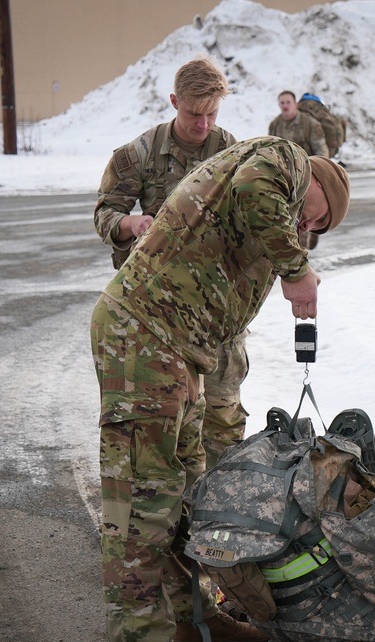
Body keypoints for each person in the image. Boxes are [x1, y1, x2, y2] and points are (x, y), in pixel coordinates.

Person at [90, 136, 349, 642]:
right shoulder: (284, 159)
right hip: (143, 336)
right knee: (143, 503)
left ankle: (193, 620)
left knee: (186, 494)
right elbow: (257, 190)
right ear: (320, 183)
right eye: (316, 220)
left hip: (180, 350)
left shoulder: (271, 211)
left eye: (314, 233)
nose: (307, 231)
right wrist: (296, 269)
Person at [94, 55, 246, 470]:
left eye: (212, 114)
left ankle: (225, 503)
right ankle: (174, 508)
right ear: (174, 101)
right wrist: (131, 223)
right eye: (194, 114)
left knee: (223, 411)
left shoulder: (232, 153)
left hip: (216, 305)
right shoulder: (139, 154)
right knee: (169, 413)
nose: (204, 125)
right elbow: (104, 213)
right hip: (157, 308)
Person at [268, 90, 329, 158]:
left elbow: (322, 151)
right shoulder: (274, 125)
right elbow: (271, 149)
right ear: (279, 105)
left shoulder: (310, 123)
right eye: (282, 103)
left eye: (288, 102)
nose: (285, 106)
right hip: (283, 166)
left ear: (295, 104)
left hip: (308, 164)